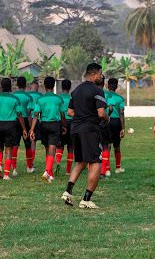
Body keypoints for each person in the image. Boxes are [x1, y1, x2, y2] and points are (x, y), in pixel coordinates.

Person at [61, 63, 108, 209]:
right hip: (90, 130)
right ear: (93, 74)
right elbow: (101, 113)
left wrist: (82, 116)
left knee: (80, 162)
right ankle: (86, 199)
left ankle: (68, 191)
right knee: (96, 162)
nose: (101, 76)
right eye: (100, 73)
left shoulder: (76, 90)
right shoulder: (97, 90)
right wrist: (107, 119)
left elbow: (70, 112)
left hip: (76, 129)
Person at [0, 78, 28, 180]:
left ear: (1, 87)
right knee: (9, 149)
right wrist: (24, 129)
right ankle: (6, 174)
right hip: (11, 125)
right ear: (10, 87)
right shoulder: (15, 99)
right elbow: (19, 114)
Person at [30, 76, 66, 183]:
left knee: (47, 149)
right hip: (55, 125)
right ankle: (47, 171)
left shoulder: (40, 99)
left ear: (44, 86)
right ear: (54, 85)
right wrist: (64, 126)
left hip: (43, 125)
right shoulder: (58, 99)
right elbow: (63, 115)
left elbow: (36, 115)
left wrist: (32, 129)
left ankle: (50, 174)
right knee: (52, 149)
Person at [13, 77, 33, 175]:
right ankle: (29, 167)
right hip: (25, 120)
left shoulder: (13, 96)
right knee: (28, 145)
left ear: (17, 85)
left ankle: (14, 169)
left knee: (14, 145)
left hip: (15, 121)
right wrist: (30, 127)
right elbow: (29, 113)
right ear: (25, 85)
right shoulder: (28, 97)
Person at [106, 78, 126, 174]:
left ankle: (107, 169)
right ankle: (118, 168)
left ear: (107, 85)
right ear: (117, 87)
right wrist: (123, 128)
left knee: (107, 145)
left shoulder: (104, 96)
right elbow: (121, 113)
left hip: (106, 121)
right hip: (116, 122)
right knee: (117, 145)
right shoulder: (120, 98)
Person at [56, 79, 73, 175]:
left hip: (61, 122)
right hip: (71, 122)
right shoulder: (72, 98)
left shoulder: (58, 98)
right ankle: (68, 171)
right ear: (70, 87)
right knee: (71, 147)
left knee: (60, 146)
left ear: (61, 87)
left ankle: (57, 162)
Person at [97, 75, 112, 178]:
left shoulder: (92, 93)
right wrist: (108, 117)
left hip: (94, 123)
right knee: (106, 146)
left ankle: (93, 169)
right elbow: (110, 108)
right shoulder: (107, 94)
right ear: (104, 83)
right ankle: (104, 170)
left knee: (95, 146)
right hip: (104, 123)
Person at [27, 81, 43, 172]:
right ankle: (31, 164)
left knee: (28, 143)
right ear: (37, 87)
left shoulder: (27, 95)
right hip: (36, 120)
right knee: (33, 142)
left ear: (30, 87)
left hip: (27, 119)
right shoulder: (40, 95)